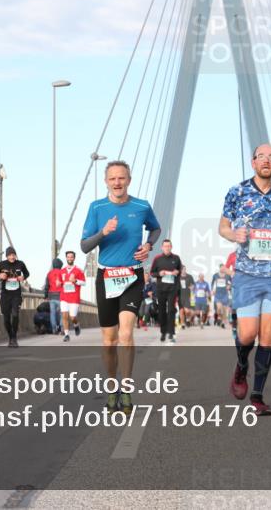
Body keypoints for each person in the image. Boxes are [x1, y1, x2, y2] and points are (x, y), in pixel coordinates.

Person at [219, 143, 271, 416]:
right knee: (247, 334)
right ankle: (241, 367)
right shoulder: (237, 192)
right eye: (261, 156)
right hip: (247, 273)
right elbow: (223, 227)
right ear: (253, 162)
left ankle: (258, 396)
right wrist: (234, 235)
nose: (266, 160)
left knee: (267, 335)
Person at [81, 160, 160, 414]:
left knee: (126, 333)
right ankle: (112, 386)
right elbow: (84, 246)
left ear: (129, 179)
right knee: (109, 340)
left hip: (132, 277)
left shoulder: (142, 206)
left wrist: (148, 246)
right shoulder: (97, 208)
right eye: (113, 178)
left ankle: (126, 388)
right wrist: (103, 232)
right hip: (106, 277)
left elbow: (156, 228)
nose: (117, 182)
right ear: (106, 181)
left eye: (122, 178)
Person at [0, 246, 30, 348]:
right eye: (10, 255)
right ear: (7, 256)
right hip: (5, 295)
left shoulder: (20, 264)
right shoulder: (1, 265)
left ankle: (14, 338)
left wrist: (23, 277)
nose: (12, 257)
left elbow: (27, 273)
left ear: (15, 255)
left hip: (16, 294)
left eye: (13, 255)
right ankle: (11, 337)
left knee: (15, 315)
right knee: (6, 319)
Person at [151, 239, 183, 344]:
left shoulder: (176, 258)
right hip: (160, 289)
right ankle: (163, 332)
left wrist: (177, 272)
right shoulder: (157, 259)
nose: (167, 248)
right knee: (162, 311)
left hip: (172, 289)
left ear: (171, 247)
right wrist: (159, 274)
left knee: (171, 310)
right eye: (165, 246)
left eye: (169, 246)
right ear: (162, 247)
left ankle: (171, 332)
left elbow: (180, 271)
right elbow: (152, 273)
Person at [61, 250, 85, 342]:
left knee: (72, 317)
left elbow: (84, 282)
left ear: (74, 258)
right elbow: (60, 282)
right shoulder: (62, 271)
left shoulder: (78, 270)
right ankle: (66, 335)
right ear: (66, 258)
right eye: (68, 257)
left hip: (74, 298)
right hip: (64, 297)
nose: (70, 258)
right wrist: (58, 283)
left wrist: (75, 281)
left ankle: (76, 324)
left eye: (71, 257)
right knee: (64, 316)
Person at [45, 258, 64, 335]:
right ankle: (62, 328)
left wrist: (45, 296)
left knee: (52, 313)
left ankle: (54, 329)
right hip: (61, 295)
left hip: (51, 296)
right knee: (62, 313)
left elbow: (47, 286)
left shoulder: (49, 274)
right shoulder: (62, 272)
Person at [211, 263, 231, 328]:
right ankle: (219, 317)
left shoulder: (228, 275)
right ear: (219, 268)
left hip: (225, 294)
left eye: (223, 268)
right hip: (217, 294)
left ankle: (222, 322)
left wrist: (229, 286)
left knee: (225, 310)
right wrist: (212, 290)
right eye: (221, 267)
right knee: (219, 308)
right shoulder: (215, 275)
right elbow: (212, 283)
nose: (222, 269)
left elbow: (232, 282)